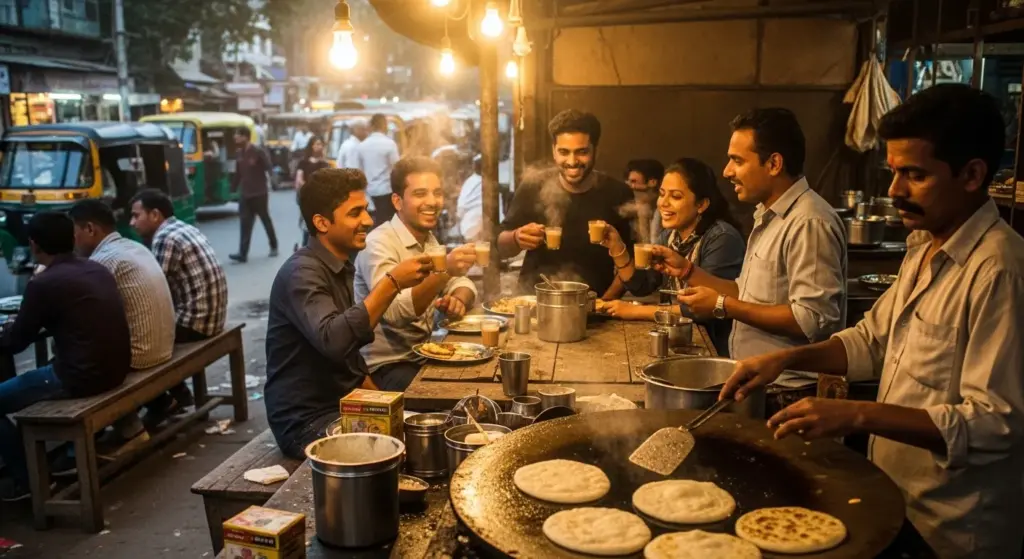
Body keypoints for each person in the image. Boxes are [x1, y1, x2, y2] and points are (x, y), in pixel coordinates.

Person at [719, 84, 1024, 558]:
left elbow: (994, 422)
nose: (894, 190)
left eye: (915, 175)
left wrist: (856, 414)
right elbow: (870, 341)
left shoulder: (999, 270)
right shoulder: (923, 248)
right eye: (894, 172)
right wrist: (786, 360)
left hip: (953, 527)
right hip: (898, 499)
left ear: (972, 175)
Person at [653, 108, 846, 408]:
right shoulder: (768, 216)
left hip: (789, 394)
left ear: (774, 163)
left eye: (738, 161)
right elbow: (745, 293)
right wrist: (688, 271)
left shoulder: (809, 222)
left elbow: (811, 319)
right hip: (759, 386)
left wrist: (722, 306)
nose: (727, 171)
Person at [264, 168, 433, 459]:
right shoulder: (301, 273)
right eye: (355, 213)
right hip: (305, 422)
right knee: (397, 455)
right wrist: (391, 282)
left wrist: (388, 404)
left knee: (425, 433)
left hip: (343, 405)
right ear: (321, 222)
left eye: (366, 210)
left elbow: (349, 363)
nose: (368, 220)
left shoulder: (339, 266)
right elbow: (335, 341)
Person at [0, 212, 131, 501]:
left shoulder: (43, 283)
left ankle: (30, 481)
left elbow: (16, 341)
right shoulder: (96, 269)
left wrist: (6, 330)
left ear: (34, 245)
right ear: (72, 238)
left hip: (80, 376)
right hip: (115, 369)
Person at [355, 157, 478, 391]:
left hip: (421, 358)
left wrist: (458, 299)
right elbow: (395, 312)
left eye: (437, 193)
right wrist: (444, 271)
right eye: (420, 194)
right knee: (456, 394)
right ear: (397, 201)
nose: (432, 202)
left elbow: (463, 282)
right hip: (385, 367)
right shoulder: (378, 244)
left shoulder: (429, 241)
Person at [601, 158, 745, 356]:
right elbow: (641, 286)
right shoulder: (669, 236)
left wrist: (635, 311)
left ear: (701, 204)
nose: (663, 203)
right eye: (662, 194)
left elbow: (704, 309)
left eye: (676, 196)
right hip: (681, 342)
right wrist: (617, 247)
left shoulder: (721, 237)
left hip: (715, 351)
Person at [69, 200, 176, 453]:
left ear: (90, 229)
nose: (73, 241)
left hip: (143, 355)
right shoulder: (133, 246)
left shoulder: (102, 262)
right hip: (164, 345)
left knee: (81, 363)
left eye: (75, 232)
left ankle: (125, 432)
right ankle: (156, 404)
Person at [498, 109, 635, 297]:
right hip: (535, 301)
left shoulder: (618, 193)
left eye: (582, 152)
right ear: (554, 151)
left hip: (594, 302)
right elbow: (499, 246)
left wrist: (605, 302)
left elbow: (630, 261)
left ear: (596, 150)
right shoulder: (533, 186)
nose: (572, 161)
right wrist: (516, 238)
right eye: (564, 152)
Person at [129, 189, 228, 429]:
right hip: (212, 318)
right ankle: (179, 395)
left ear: (155, 214)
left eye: (136, 215)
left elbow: (154, 292)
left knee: (137, 345)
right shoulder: (183, 227)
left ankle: (163, 402)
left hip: (196, 323)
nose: (132, 223)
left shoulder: (165, 238)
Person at [230, 127, 279, 263]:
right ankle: (242, 253)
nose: (235, 138)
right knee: (245, 223)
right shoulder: (239, 154)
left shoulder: (258, 151)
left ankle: (274, 245)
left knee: (265, 219)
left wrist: (274, 181)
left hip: (259, 193)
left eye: (238, 135)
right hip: (245, 193)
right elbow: (238, 173)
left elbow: (269, 167)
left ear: (245, 137)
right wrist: (233, 188)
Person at [357, 114, 401, 226]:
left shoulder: (362, 146)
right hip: (386, 192)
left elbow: (359, 170)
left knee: (371, 225)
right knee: (386, 226)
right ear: (384, 125)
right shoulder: (390, 144)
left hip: (368, 193)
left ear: (372, 126)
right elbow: (397, 168)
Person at [295, 136, 331, 249]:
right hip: (306, 197)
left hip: (320, 198)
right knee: (307, 224)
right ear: (311, 146)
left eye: (321, 144)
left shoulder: (324, 163)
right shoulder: (303, 162)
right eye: (317, 144)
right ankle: (305, 247)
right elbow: (299, 179)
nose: (319, 147)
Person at [625, 159, 666, 242]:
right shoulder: (628, 212)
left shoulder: (666, 214)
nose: (630, 186)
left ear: (653, 182)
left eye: (634, 181)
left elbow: (651, 246)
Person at [456, 155, 484, 241]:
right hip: (471, 227)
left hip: (473, 227)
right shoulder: (473, 181)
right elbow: (462, 206)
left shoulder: (473, 180)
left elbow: (461, 207)